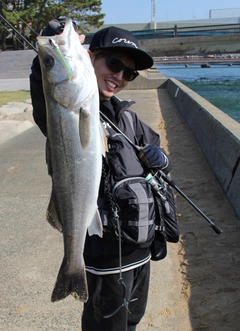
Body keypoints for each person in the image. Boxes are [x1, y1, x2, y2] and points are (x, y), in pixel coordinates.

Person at [30, 18, 171, 331]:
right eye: (114, 64)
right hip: (105, 260)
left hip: (141, 255)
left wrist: (159, 158)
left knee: (131, 323)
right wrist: (52, 49)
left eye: (129, 73)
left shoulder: (129, 118)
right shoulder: (67, 107)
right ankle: (73, 266)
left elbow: (158, 156)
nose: (119, 77)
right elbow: (48, 86)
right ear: (90, 58)